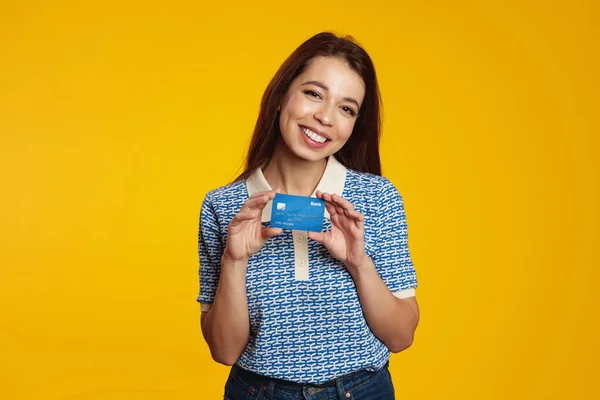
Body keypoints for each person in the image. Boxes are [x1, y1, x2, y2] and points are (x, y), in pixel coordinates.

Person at [197, 32, 419, 400]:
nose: (325, 117)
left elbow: (401, 337)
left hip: (362, 391)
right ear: (282, 95)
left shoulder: (378, 199)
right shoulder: (223, 206)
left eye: (346, 108)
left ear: (354, 125)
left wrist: (358, 263)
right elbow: (224, 352)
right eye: (314, 93)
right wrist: (234, 260)